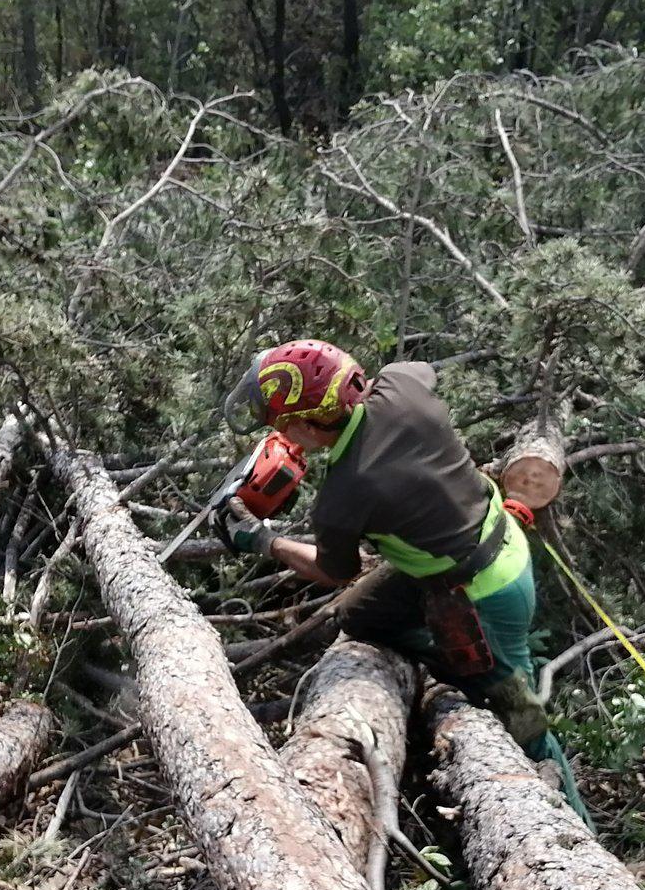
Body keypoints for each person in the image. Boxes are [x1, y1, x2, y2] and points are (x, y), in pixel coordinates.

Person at [219, 338, 588, 820]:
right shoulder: (402, 384)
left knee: (521, 719)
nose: (281, 433)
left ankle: (578, 827)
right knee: (359, 615)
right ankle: (444, 650)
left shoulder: (344, 496)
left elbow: (335, 570)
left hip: (487, 592)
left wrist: (261, 539)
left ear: (309, 423)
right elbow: (419, 371)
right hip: (494, 539)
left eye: (284, 424)